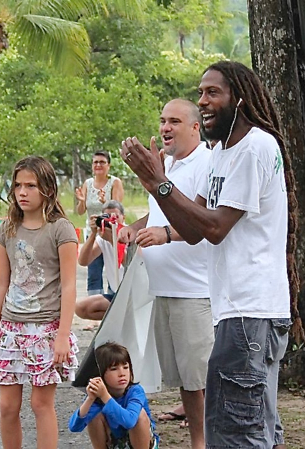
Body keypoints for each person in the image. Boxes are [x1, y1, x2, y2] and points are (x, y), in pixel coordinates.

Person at [120, 61, 298, 449]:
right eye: (200, 93)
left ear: (240, 98)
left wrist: (158, 181)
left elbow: (215, 228)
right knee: (254, 429)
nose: (203, 100)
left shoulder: (254, 148)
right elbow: (192, 229)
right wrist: (155, 186)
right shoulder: (222, 153)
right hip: (235, 313)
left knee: (237, 434)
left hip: (251, 313)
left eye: (213, 92)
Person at [118, 99, 213, 448]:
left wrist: (166, 235)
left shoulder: (208, 164)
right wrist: (134, 227)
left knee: (201, 377)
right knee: (185, 380)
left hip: (195, 289)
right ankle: (196, 441)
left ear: (195, 127)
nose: (165, 128)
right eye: (162, 121)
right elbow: (158, 213)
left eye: (174, 121)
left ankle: (205, 442)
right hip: (163, 287)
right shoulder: (165, 167)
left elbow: (203, 220)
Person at [0, 156, 79, 449]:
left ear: (47, 189)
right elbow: (1, 282)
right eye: (17, 186)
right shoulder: (7, 229)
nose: (22, 192)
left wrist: (63, 335)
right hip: (10, 330)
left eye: (31, 186)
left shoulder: (61, 229)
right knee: (7, 407)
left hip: (45, 330)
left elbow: (69, 284)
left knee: (41, 405)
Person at [69, 341, 159, 449]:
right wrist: (90, 399)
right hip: (114, 442)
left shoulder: (135, 391)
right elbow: (74, 427)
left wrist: (105, 396)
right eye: (114, 369)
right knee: (94, 416)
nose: (122, 373)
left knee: (140, 415)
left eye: (125, 367)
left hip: (140, 442)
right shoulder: (98, 397)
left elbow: (129, 422)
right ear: (100, 374)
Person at [75, 151, 125, 296]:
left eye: (102, 162)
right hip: (93, 233)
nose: (98, 165)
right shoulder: (88, 184)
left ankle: (113, 300)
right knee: (94, 273)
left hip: (110, 233)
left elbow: (117, 208)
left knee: (114, 270)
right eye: (95, 162)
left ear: (108, 165)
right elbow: (80, 211)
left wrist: (105, 203)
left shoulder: (115, 182)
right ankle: (95, 303)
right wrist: (82, 201)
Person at [76, 200, 126, 322]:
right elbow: (83, 261)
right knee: (80, 308)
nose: (112, 221)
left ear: (123, 217)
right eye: (107, 217)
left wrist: (112, 240)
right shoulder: (103, 237)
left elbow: (129, 262)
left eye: (115, 217)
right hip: (116, 294)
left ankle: (124, 319)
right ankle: (122, 319)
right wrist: (93, 234)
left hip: (133, 293)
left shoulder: (128, 233)